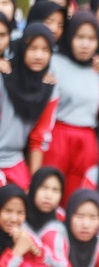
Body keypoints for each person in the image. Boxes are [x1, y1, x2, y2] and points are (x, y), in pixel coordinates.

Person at [44, 12, 99, 207]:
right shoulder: (55, 63)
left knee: (79, 197)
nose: (85, 44)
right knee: (51, 191)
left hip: (87, 141)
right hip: (58, 137)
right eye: (79, 37)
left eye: (91, 38)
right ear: (70, 37)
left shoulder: (98, 70)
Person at [0, 23, 58, 188]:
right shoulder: (4, 76)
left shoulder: (49, 88)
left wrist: (33, 184)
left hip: (15, 163)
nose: (38, 55)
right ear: (22, 48)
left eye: (45, 50)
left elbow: (39, 139)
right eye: (32, 48)